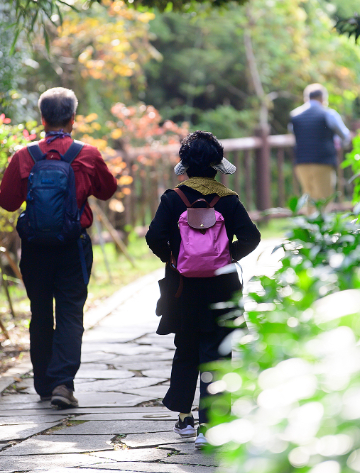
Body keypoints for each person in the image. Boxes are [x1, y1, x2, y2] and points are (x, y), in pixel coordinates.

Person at [0, 87, 117, 408]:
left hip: (35, 248)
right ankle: (63, 384)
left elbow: (7, 202)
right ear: (73, 119)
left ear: (42, 118)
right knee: (69, 311)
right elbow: (108, 190)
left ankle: (44, 385)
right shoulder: (87, 154)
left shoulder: (25, 156)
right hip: (72, 246)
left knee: (40, 313)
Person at [145, 131, 261, 449]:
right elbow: (252, 237)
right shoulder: (228, 200)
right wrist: (226, 258)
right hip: (221, 290)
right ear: (217, 166)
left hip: (182, 291)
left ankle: (184, 418)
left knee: (186, 352)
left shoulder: (173, 199)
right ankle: (210, 426)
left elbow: (154, 237)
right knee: (217, 355)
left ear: (185, 165)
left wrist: (173, 258)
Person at [289, 83, 351, 205]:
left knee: (307, 197)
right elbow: (345, 136)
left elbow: (293, 134)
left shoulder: (295, 115)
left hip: (301, 162)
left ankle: (309, 223)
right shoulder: (329, 114)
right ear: (323, 98)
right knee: (324, 199)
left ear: (306, 98)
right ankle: (321, 223)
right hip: (323, 161)